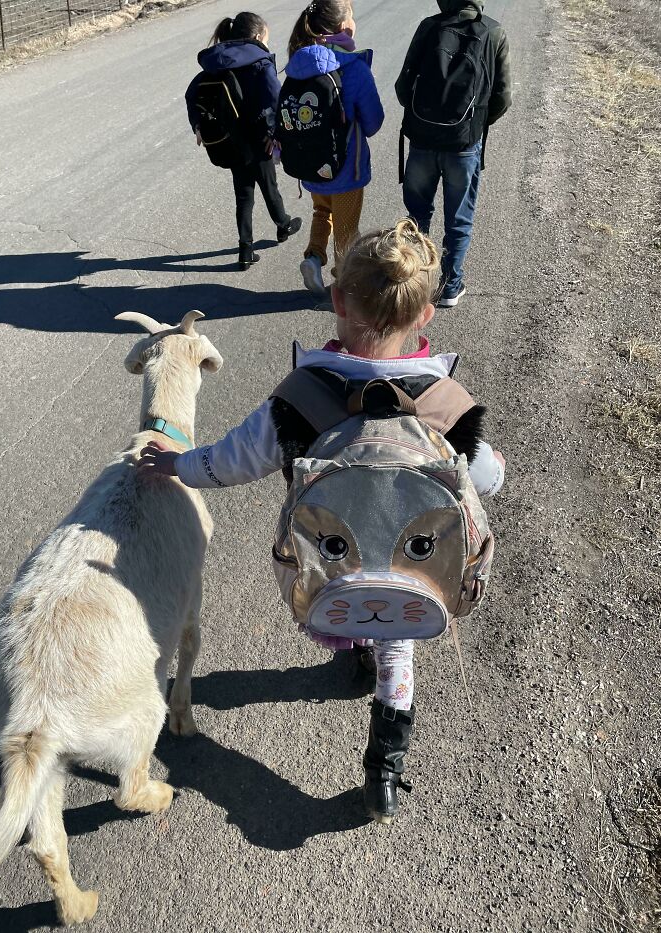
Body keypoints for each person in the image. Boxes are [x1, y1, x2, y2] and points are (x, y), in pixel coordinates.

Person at [137, 220, 505, 822]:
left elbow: (231, 462)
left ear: (337, 299)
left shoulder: (302, 396)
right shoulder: (446, 404)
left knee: (350, 575)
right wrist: (492, 462)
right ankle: (384, 770)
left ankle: (356, 639)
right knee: (399, 650)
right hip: (416, 572)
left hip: (327, 570)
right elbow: (483, 479)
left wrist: (178, 462)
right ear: (425, 316)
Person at [395, 0, 512, 306]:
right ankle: (449, 286)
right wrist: (476, 122)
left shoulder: (430, 27)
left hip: (422, 140)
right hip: (464, 143)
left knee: (417, 214)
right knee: (458, 219)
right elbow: (503, 96)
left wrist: (422, 115)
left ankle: (413, 281)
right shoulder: (494, 33)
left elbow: (402, 86)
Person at [185, 12, 302, 270]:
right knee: (269, 186)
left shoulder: (217, 62)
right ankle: (283, 226)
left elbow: (192, 93)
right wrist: (279, 134)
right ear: (258, 37)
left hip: (231, 141)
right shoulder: (259, 63)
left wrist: (197, 125)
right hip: (259, 139)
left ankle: (245, 250)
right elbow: (276, 99)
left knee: (243, 196)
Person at [284, 1, 384, 302]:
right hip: (345, 170)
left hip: (312, 167)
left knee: (321, 210)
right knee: (346, 230)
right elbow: (373, 122)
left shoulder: (299, 64)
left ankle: (313, 257)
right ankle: (342, 289)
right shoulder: (353, 68)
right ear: (344, 27)